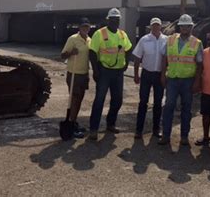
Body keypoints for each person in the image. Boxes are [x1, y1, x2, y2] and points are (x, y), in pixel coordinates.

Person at [88, 8, 132, 140]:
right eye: (112, 19)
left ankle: (110, 123)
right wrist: (95, 70)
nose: (115, 21)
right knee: (99, 100)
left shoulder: (123, 35)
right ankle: (94, 129)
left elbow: (129, 49)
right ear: (108, 20)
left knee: (118, 100)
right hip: (104, 72)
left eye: (117, 19)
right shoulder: (99, 34)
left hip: (118, 73)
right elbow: (92, 52)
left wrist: (126, 63)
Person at [159, 14, 203, 146]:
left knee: (186, 108)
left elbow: (200, 64)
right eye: (182, 26)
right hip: (172, 79)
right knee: (168, 106)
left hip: (188, 81)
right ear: (180, 27)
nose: (184, 28)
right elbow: (164, 58)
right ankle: (165, 135)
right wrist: (162, 74)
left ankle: (184, 136)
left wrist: (197, 81)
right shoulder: (171, 39)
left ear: (191, 27)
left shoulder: (197, 43)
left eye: (187, 26)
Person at [133, 17, 167, 139]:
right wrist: (136, 74)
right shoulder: (144, 40)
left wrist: (165, 75)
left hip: (159, 75)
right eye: (154, 25)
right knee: (143, 102)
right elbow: (137, 58)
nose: (156, 27)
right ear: (150, 27)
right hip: (146, 74)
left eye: (158, 25)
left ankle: (156, 129)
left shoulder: (166, 40)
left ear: (161, 27)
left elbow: (167, 59)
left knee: (158, 103)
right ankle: (138, 130)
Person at [60, 17, 91, 138]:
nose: (85, 29)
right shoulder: (72, 39)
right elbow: (62, 55)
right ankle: (71, 124)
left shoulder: (89, 40)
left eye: (87, 27)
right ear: (79, 27)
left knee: (79, 99)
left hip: (84, 74)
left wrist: (88, 75)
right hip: (73, 74)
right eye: (83, 26)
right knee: (74, 99)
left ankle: (73, 121)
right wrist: (71, 53)